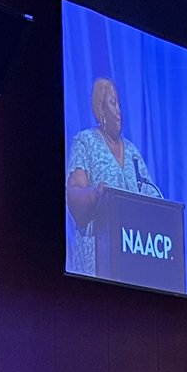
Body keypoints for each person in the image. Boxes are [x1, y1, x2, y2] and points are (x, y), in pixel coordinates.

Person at [65, 77, 161, 276]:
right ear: (101, 110)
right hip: (97, 264)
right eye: (113, 103)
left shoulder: (133, 152)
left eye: (119, 104)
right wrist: (95, 195)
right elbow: (74, 192)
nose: (119, 111)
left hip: (134, 261)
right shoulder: (85, 142)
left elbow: (153, 196)